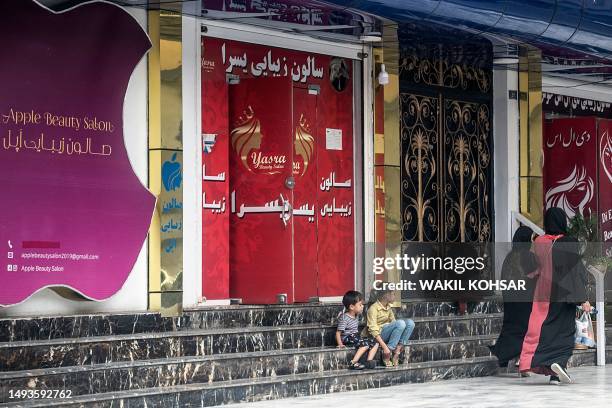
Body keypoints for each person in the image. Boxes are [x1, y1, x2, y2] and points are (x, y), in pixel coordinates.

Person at [518, 207, 592, 385]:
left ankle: (544, 366)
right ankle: (557, 367)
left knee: (543, 330)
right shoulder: (569, 242)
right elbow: (576, 273)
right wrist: (584, 299)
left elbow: (532, 270)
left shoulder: (539, 242)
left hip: (543, 293)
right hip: (563, 295)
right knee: (564, 332)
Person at [490, 226, 539, 370]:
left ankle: (503, 357)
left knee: (511, 327)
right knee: (524, 329)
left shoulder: (509, 256)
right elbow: (533, 277)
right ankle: (521, 359)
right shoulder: (528, 256)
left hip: (511, 299)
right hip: (525, 300)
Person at [363, 289, 415, 367]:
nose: (395, 296)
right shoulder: (373, 309)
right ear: (386, 295)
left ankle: (397, 352)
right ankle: (388, 352)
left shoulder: (388, 307)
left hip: (387, 332)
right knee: (400, 323)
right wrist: (385, 347)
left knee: (410, 323)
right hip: (378, 335)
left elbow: (394, 323)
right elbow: (373, 330)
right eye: (393, 294)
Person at [336, 290, 379, 370]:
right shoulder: (345, 318)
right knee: (365, 344)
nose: (362, 306)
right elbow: (338, 333)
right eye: (360, 305)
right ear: (352, 307)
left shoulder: (356, 315)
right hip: (348, 337)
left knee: (375, 342)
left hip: (355, 336)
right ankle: (353, 362)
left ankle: (369, 362)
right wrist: (340, 344)